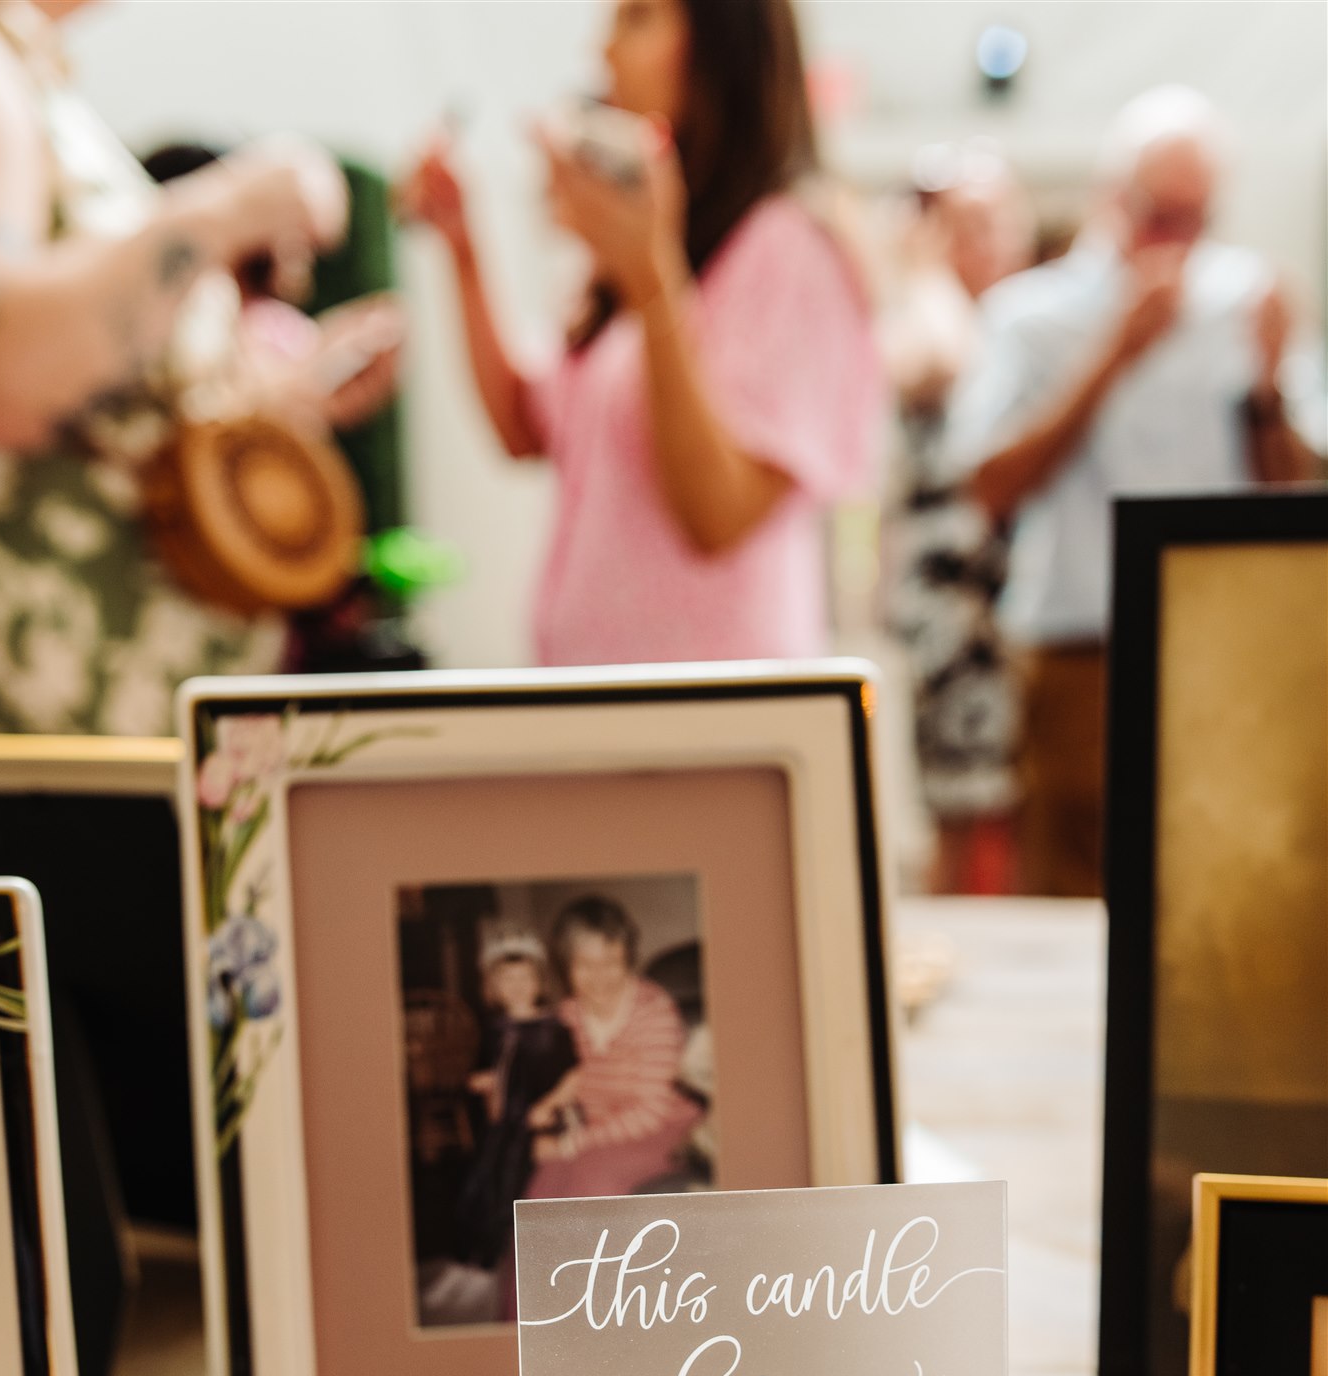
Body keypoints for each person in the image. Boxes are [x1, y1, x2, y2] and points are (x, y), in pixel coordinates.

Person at [0, 0, 402, 735]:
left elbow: (99, 421)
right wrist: (235, 204)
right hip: (38, 758)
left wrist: (281, 398)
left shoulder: (19, 69)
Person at [398, 0, 880, 665]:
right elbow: (522, 426)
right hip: (601, 710)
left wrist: (651, 280)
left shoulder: (789, 249)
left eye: (638, 18)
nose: (602, 53)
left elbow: (717, 514)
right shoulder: (654, 247)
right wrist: (461, 247)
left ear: (724, 47)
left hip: (716, 719)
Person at [946, 85, 1320, 897]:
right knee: (1072, 891)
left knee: (1223, 887)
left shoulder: (1246, 301)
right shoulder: (1032, 315)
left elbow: (1288, 494)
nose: (1177, 239)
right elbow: (987, 483)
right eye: (1160, 214)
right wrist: (1113, 353)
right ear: (1114, 198)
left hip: (1220, 647)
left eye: (1196, 218)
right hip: (1078, 642)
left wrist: (1266, 385)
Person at [878, 145, 1034, 893]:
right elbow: (936, 362)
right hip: (950, 619)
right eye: (959, 223)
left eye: (993, 221)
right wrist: (919, 268)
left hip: (1017, 611)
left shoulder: (1029, 322)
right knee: (958, 814)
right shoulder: (923, 319)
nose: (983, 240)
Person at [525, 894, 699, 1199]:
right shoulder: (566, 1017)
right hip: (599, 1133)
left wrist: (571, 1143)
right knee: (538, 1192)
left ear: (627, 959)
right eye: (585, 965)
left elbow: (650, 1111)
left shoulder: (653, 1010)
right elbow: (554, 1084)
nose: (599, 978)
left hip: (665, 1131)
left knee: (591, 1181)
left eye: (611, 963)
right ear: (566, 966)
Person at [454, 929, 578, 1273]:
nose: (517, 986)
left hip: (541, 1122)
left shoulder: (554, 1028)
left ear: (540, 983)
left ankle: (537, 1251)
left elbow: (574, 1074)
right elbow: (480, 1070)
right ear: (494, 987)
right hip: (503, 1126)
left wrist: (551, 1104)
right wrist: (480, 1082)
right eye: (507, 980)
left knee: (527, 1182)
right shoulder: (494, 1029)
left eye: (525, 978)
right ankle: (495, 1252)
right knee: (490, 1183)